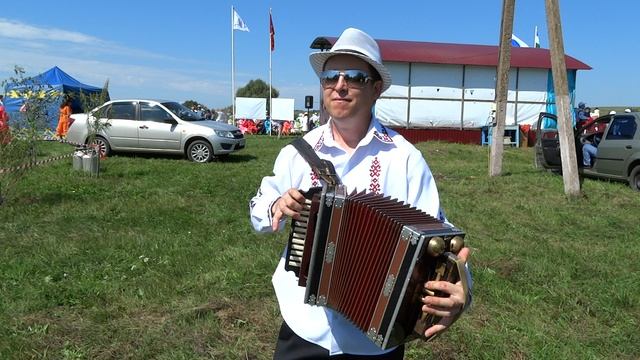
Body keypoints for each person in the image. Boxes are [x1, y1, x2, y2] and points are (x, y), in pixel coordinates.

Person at [249, 27, 471, 359]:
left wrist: (462, 289)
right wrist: (277, 204)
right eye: (330, 77)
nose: (339, 86)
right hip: (304, 326)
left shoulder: (405, 158)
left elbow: (439, 242)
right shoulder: (298, 152)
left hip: (375, 336)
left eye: (353, 77)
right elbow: (258, 209)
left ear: (376, 88)